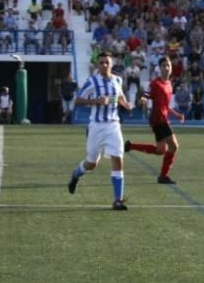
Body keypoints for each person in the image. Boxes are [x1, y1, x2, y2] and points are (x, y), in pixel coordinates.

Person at [66, 52, 134, 210]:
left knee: (117, 159)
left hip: (113, 125)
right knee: (91, 163)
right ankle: (76, 175)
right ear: (97, 65)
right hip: (96, 126)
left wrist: (128, 105)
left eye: (107, 62)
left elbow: (121, 98)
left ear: (111, 64)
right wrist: (95, 101)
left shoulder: (118, 80)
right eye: (101, 62)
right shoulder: (92, 81)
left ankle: (118, 200)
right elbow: (78, 100)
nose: (104, 65)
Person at [123, 56, 185, 184]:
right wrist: (143, 99)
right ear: (159, 68)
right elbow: (146, 94)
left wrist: (176, 114)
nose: (166, 68)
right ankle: (163, 176)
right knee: (174, 146)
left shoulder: (169, 84)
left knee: (160, 150)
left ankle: (130, 146)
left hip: (162, 118)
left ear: (171, 67)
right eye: (164, 66)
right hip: (158, 119)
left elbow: (166, 105)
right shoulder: (155, 83)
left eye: (168, 65)